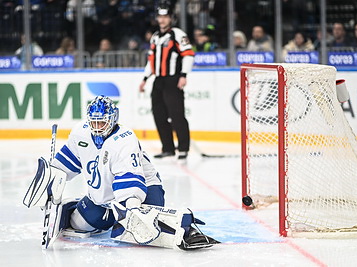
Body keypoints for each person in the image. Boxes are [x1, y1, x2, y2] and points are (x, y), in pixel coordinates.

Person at [23, 95, 218, 250]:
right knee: (78, 224)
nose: (98, 127)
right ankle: (77, 207)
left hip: (144, 191)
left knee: (137, 229)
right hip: (103, 196)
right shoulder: (80, 133)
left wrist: (131, 209)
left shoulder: (125, 139)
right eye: (94, 122)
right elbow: (66, 164)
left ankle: (186, 230)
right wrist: (50, 185)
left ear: (113, 118)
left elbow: (130, 180)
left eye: (102, 122)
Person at [138, 1, 194, 160]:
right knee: (159, 115)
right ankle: (168, 148)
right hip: (158, 81)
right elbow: (151, 60)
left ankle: (183, 148)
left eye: (165, 16)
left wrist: (183, 75)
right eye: (160, 16)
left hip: (173, 80)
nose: (162, 20)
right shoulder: (155, 37)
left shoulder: (177, 34)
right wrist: (144, 79)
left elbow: (188, 55)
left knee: (177, 115)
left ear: (171, 18)